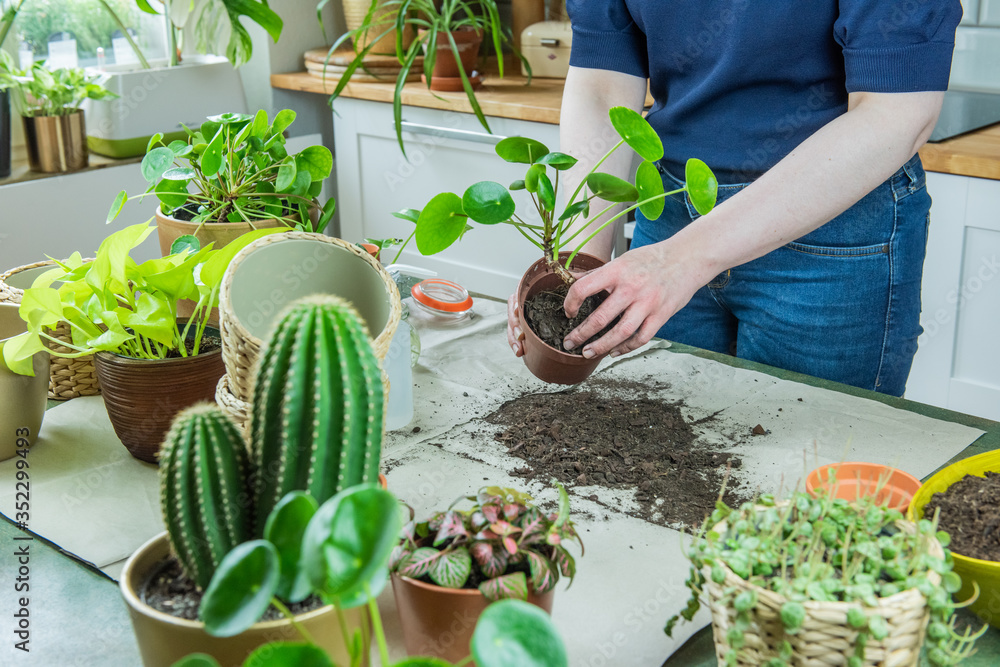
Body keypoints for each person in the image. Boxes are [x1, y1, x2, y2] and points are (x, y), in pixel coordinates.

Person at [506, 1, 962, 397]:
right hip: (669, 216)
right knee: (668, 463)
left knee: (809, 470)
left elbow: (897, 112)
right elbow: (603, 83)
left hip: (831, 239)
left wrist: (681, 260)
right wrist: (576, 270)